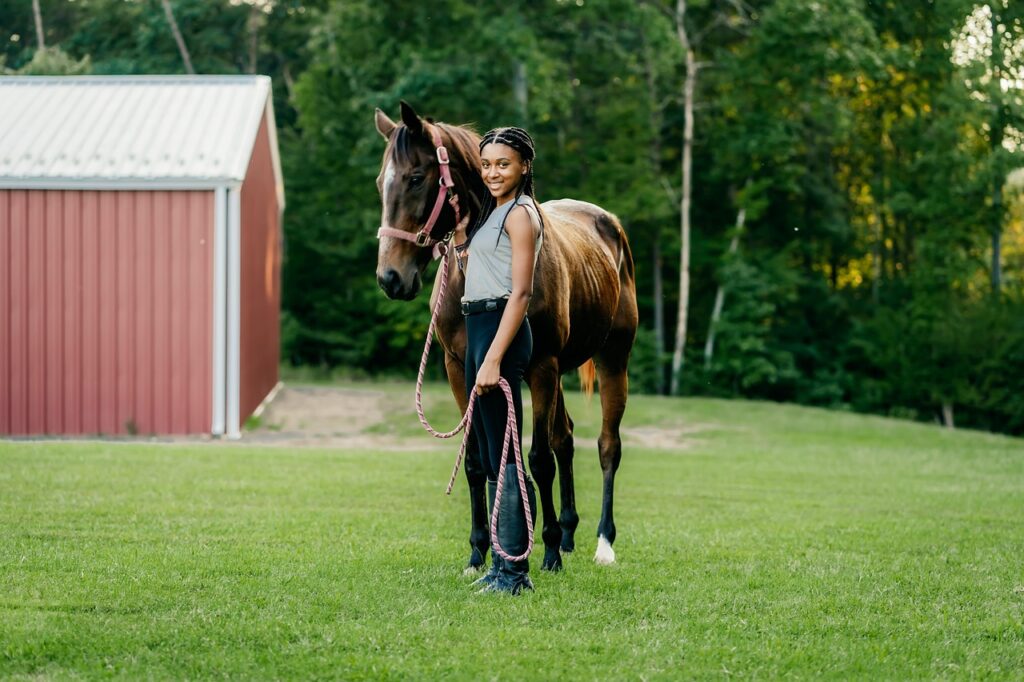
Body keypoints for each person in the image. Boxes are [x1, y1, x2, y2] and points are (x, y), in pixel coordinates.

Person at [454, 126, 544, 595]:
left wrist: (492, 359)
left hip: (499, 333)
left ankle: (515, 574)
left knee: (507, 454)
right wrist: (466, 241)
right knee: (492, 455)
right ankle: (500, 566)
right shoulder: (497, 213)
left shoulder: (522, 215)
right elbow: (483, 274)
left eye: (503, 164)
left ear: (524, 167)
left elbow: (522, 291)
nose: (493, 172)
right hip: (479, 326)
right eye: (487, 164)